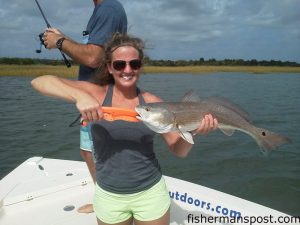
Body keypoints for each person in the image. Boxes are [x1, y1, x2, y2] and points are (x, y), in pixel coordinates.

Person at [31, 33, 218, 225]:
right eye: (120, 64)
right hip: (109, 195)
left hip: (150, 192)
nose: (127, 70)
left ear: (140, 67)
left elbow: (178, 150)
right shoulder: (96, 93)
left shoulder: (153, 103)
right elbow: (40, 81)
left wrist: (195, 130)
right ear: (110, 67)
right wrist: (80, 96)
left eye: (134, 64)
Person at [41, 0, 127, 213]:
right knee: (88, 151)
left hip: (102, 100)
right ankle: (104, 200)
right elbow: (93, 50)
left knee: (103, 155)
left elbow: (93, 57)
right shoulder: (102, 10)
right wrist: (64, 38)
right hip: (90, 100)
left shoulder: (108, 9)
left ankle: (116, 205)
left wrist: (60, 42)